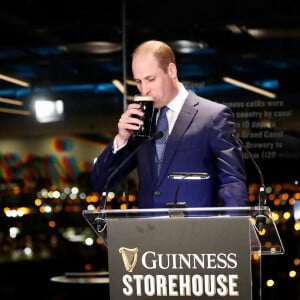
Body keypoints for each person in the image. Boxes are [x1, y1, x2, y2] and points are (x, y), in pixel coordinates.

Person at [91, 40, 249, 208]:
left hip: (197, 232)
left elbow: (232, 183)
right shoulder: (142, 120)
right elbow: (100, 182)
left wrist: (234, 231)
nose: (144, 90)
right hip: (148, 232)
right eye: (138, 82)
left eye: (150, 79)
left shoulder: (212, 116)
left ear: (172, 71)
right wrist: (121, 139)